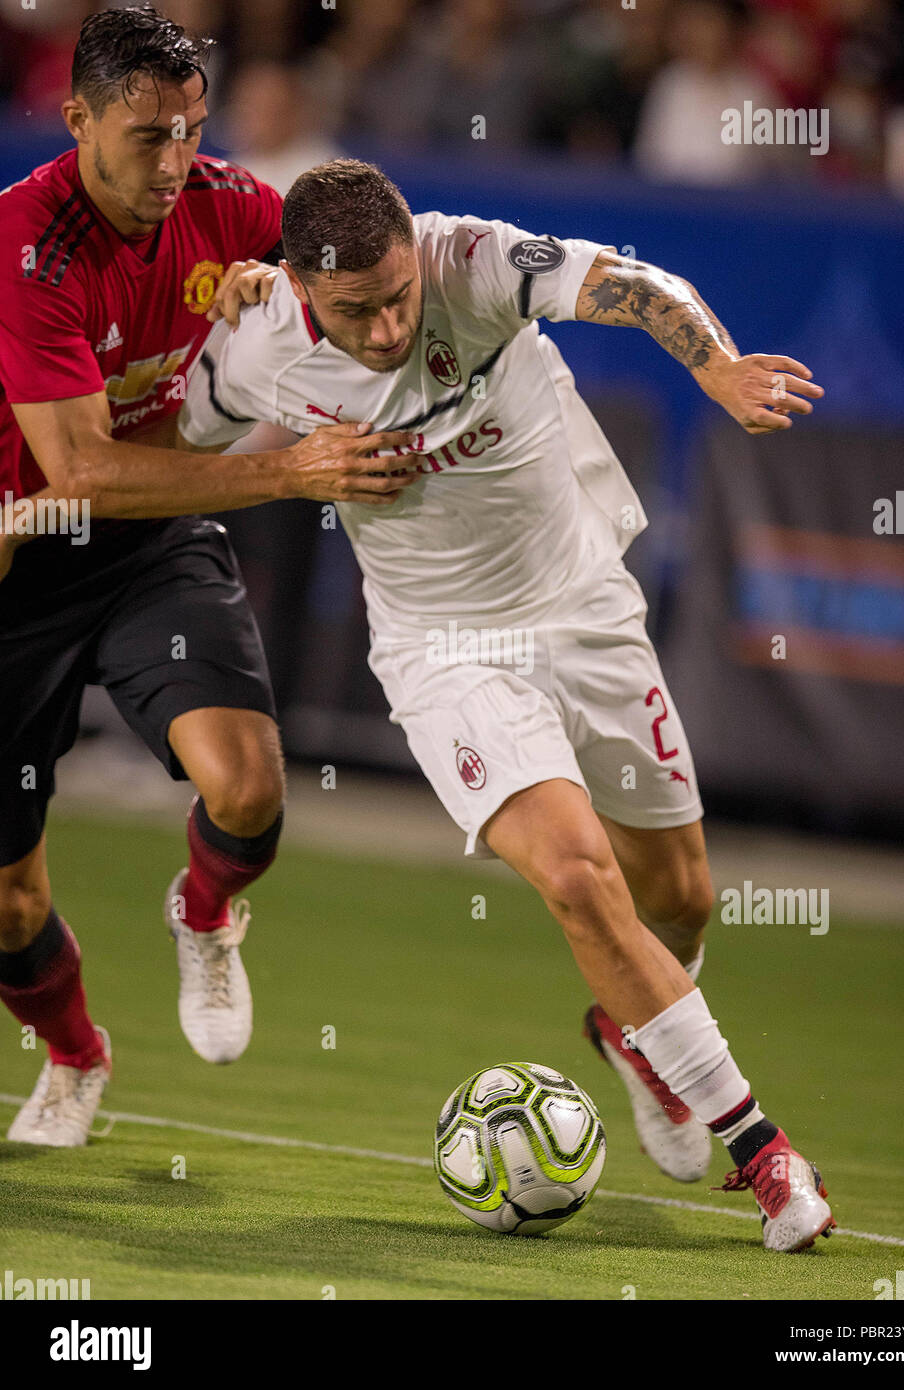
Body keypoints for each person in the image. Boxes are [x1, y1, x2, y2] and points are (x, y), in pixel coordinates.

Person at [176, 158, 834, 1251]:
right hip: (446, 654)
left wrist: (715, 368)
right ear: (293, 283)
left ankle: (633, 1037)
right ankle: (765, 1154)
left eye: (397, 296)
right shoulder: (252, 345)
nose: (389, 328)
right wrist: (294, 468)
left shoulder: (468, 259)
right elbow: (165, 443)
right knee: (580, 876)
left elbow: (637, 283)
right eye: (356, 310)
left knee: (679, 900)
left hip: (582, 607)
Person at [0, 8, 417, 1148]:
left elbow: (351, 265)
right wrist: (289, 468)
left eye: (191, 131)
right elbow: (77, 466)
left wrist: (278, 294)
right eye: (147, 137)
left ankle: (204, 910)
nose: (175, 164)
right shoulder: (27, 243)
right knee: (8, 902)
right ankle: (77, 1055)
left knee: (246, 791)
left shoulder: (230, 203)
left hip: (147, 546)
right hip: (19, 565)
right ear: (77, 118)